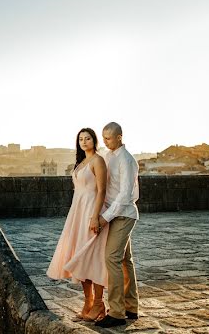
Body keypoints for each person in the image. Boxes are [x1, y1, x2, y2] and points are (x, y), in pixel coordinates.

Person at [46, 128, 110, 322]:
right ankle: (88, 302)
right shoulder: (81, 162)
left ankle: (99, 303)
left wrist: (95, 216)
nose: (84, 142)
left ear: (94, 140)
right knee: (79, 256)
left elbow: (101, 190)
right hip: (78, 211)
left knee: (93, 257)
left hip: (91, 210)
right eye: (81, 139)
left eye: (87, 138)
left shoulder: (98, 160)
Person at [94, 122, 140, 328]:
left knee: (111, 258)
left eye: (109, 138)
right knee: (124, 260)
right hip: (115, 214)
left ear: (119, 137)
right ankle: (131, 307)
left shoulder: (126, 160)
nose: (105, 141)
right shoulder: (107, 156)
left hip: (123, 215)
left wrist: (105, 217)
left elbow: (125, 195)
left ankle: (117, 312)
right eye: (103, 138)